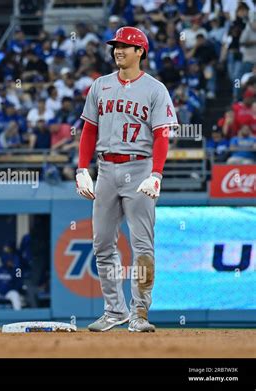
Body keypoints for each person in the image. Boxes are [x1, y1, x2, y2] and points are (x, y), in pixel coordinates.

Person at [76, 27, 178, 333]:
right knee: (102, 243)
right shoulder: (100, 85)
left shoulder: (155, 89)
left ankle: (140, 312)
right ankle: (114, 310)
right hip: (105, 168)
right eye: (116, 46)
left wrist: (157, 174)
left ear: (140, 52)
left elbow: (162, 135)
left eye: (125, 46)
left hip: (140, 167)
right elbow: (89, 130)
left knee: (142, 246)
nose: (118, 50)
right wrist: (82, 168)